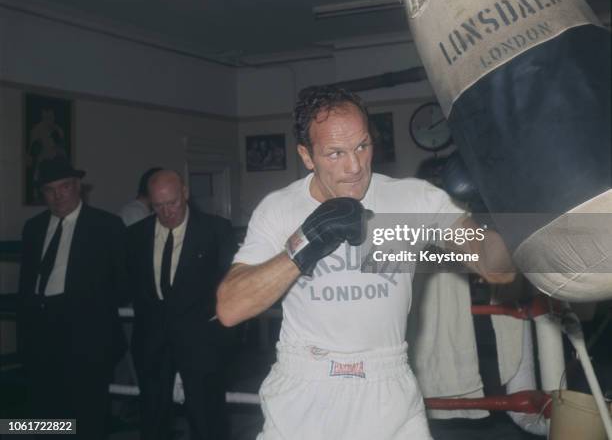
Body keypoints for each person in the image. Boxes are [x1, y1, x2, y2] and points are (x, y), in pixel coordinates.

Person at [217, 85, 515, 440]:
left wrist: (491, 209)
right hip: (306, 388)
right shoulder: (279, 209)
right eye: (335, 153)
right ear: (306, 156)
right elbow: (230, 307)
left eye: (362, 146)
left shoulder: (411, 199)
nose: (355, 166)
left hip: (387, 386)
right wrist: (303, 247)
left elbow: (497, 267)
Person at [17, 158, 129, 440]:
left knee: (87, 417)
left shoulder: (107, 226)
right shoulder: (33, 228)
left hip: (87, 337)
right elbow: (26, 287)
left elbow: (124, 282)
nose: (58, 195)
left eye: (64, 187)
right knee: (44, 416)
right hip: (41, 335)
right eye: (49, 190)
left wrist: (91, 309)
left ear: (79, 187)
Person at [128, 170, 235, 440]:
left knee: (208, 423)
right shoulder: (135, 235)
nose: (167, 212)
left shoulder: (216, 230)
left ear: (185, 193)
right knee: (153, 424)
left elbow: (232, 287)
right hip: (152, 348)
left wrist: (221, 339)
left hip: (203, 347)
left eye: (172, 203)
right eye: (158, 206)